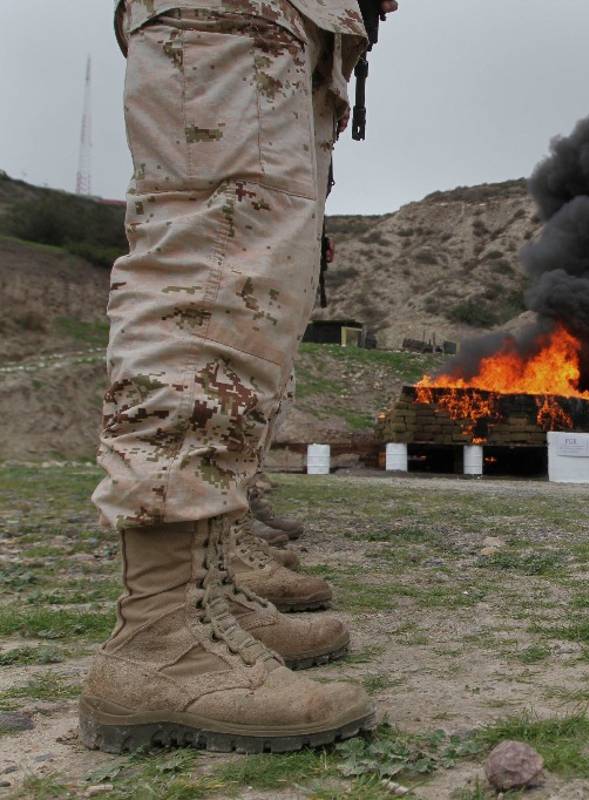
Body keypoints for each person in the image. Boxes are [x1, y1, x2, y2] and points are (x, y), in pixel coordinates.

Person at [80, 0, 397, 754]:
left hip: (292, 22)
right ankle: (163, 639)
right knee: (215, 275)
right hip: (238, 15)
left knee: (252, 295)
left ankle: (204, 595)